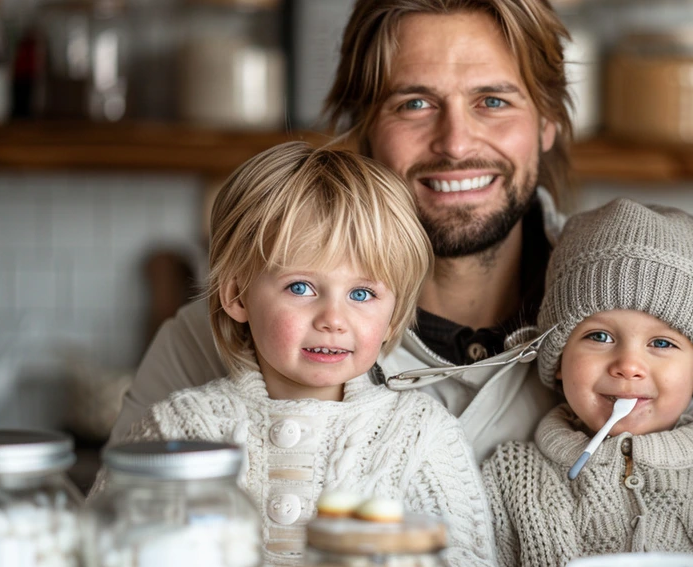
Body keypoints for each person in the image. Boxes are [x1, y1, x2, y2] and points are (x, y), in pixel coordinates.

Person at [109, 0, 573, 461]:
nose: (454, 143)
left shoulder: (626, 326)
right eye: (414, 103)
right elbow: (127, 523)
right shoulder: (215, 339)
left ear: (547, 120)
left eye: (493, 101)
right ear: (363, 128)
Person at [91, 143, 501, 567]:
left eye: (362, 294)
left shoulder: (422, 436)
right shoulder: (177, 429)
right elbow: (98, 556)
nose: (333, 319)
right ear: (237, 295)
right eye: (301, 288)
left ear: (392, 317)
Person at [483, 199, 693, 567]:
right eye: (599, 336)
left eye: (662, 343)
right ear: (559, 358)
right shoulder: (511, 478)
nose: (629, 365)